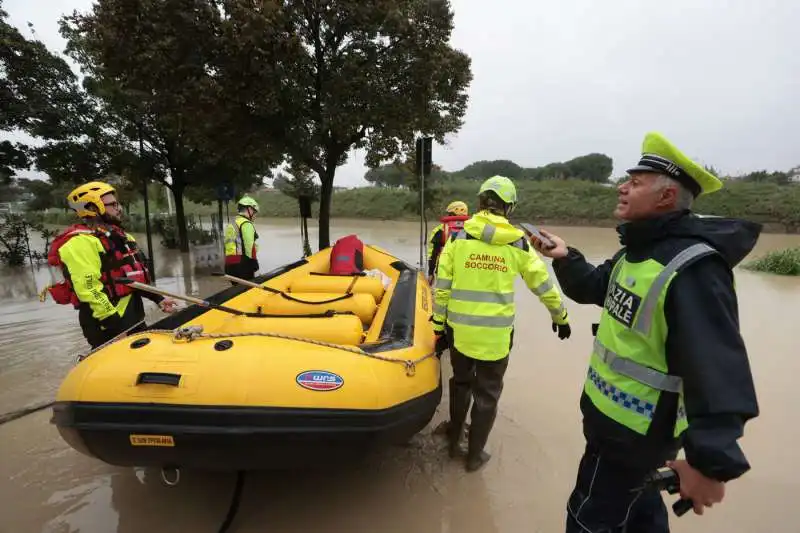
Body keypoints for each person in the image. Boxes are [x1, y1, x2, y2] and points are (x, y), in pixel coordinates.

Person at [530, 132, 761, 532]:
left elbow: (717, 369)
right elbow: (594, 287)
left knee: (588, 522)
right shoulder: (636, 254)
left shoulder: (693, 268)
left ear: (666, 198)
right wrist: (564, 257)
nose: (621, 187)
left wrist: (709, 464)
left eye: (635, 183)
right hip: (614, 430)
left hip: (635, 437)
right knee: (640, 519)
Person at [432, 175, 572, 472]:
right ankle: (474, 456)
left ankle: (453, 442)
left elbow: (441, 287)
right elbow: (543, 285)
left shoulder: (458, 238)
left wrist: (437, 327)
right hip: (495, 338)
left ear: (480, 202)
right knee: (488, 394)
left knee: (460, 384)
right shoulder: (518, 243)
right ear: (509, 207)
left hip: (459, 332)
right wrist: (560, 316)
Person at [46, 181, 177, 349]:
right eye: (112, 204)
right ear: (92, 208)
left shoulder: (123, 237)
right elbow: (89, 289)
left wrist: (158, 298)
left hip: (134, 318)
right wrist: (113, 326)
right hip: (107, 326)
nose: (119, 208)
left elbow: (131, 278)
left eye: (117, 203)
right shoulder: (80, 243)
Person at [427, 200, 469, 284]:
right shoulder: (473, 229)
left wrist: (430, 273)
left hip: (444, 269)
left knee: (441, 294)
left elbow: (434, 254)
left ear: (452, 213)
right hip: (465, 269)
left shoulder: (441, 230)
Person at [224, 195, 260, 282]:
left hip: (230, 265)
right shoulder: (246, 224)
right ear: (249, 209)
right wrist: (254, 264)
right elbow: (249, 246)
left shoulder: (232, 223)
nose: (255, 215)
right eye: (254, 212)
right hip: (243, 266)